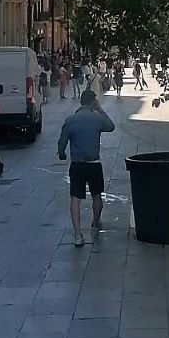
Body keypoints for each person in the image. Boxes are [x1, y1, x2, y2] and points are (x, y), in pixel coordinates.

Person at [57, 89, 116, 247]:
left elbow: (62, 140)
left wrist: (62, 152)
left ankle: (78, 234)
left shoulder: (71, 120)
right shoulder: (97, 119)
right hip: (94, 163)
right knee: (97, 195)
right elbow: (111, 126)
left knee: (75, 198)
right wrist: (100, 109)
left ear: (81, 101)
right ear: (93, 102)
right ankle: (95, 223)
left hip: (77, 164)